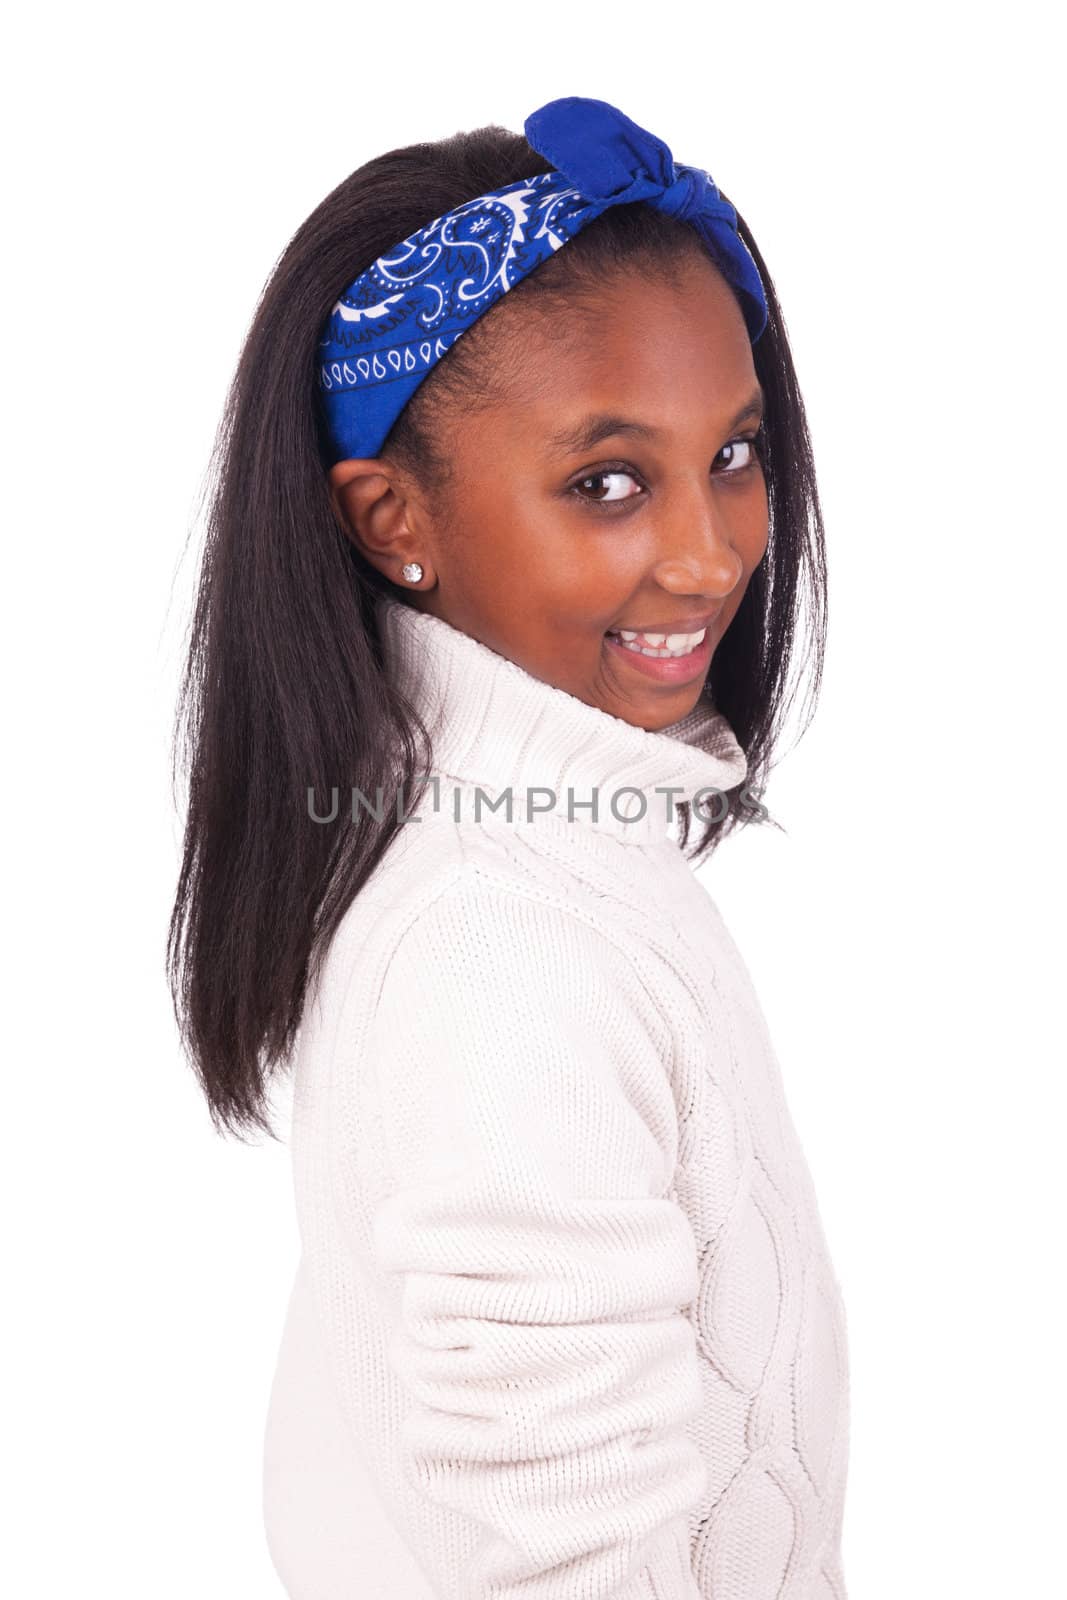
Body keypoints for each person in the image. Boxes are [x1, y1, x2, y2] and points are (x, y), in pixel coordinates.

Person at [168, 95, 850, 1600]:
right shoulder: (506, 946)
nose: (714, 549)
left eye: (735, 453)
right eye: (607, 480)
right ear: (394, 519)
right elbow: (569, 1558)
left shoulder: (545, 861)